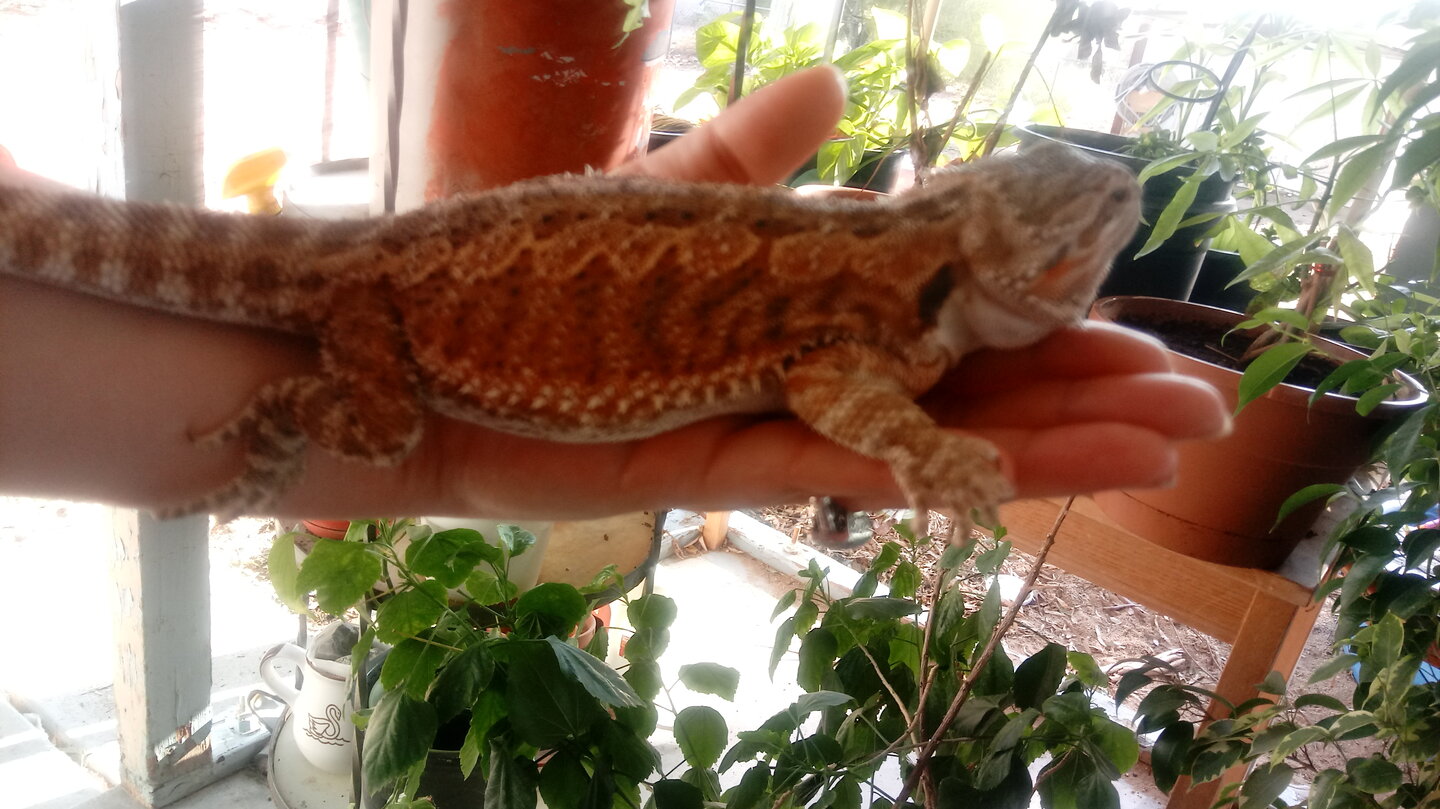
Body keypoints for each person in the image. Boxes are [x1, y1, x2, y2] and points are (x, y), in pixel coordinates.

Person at [0, 67, 1228, 521]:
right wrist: (921, 446)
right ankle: (276, 419)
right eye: (1084, 236)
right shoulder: (884, 317)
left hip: (401, 259)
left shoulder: (878, 266)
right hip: (388, 305)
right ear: (986, 245)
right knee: (374, 424)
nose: (1105, 238)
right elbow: (827, 384)